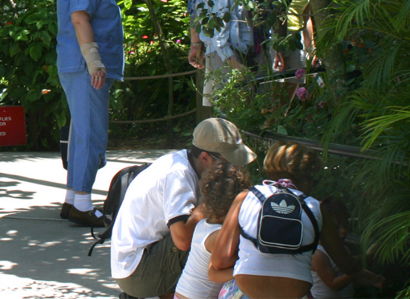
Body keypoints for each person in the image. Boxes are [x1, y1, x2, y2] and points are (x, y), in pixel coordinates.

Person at [111, 118, 257, 299]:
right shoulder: (179, 174)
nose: (235, 168)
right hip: (137, 271)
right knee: (209, 237)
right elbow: (182, 240)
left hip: (143, 260)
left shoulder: (187, 162)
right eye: (229, 162)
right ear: (205, 157)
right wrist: (210, 204)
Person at [210, 143, 379, 299]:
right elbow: (348, 266)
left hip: (248, 291)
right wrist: (371, 255)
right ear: (307, 177)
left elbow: (219, 261)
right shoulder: (315, 207)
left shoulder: (247, 197)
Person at [56, 0, 124, 226]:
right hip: (86, 68)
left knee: (81, 133)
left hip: (77, 66)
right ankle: (83, 204)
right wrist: (94, 61)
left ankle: (73, 198)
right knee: (90, 134)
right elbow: (80, 19)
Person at [187, 0, 252, 115]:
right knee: (231, 115)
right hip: (226, 55)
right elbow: (216, 28)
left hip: (239, 52)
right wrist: (233, 61)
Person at [173, 161, 251, 299]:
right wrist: (248, 271)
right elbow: (220, 272)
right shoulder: (220, 236)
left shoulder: (202, 225)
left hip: (181, 294)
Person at [310, 198, 383, 298]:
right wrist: (358, 272)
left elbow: (350, 281)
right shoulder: (318, 254)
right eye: (336, 227)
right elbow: (333, 284)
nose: (343, 231)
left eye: (345, 226)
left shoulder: (343, 249)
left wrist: (371, 281)